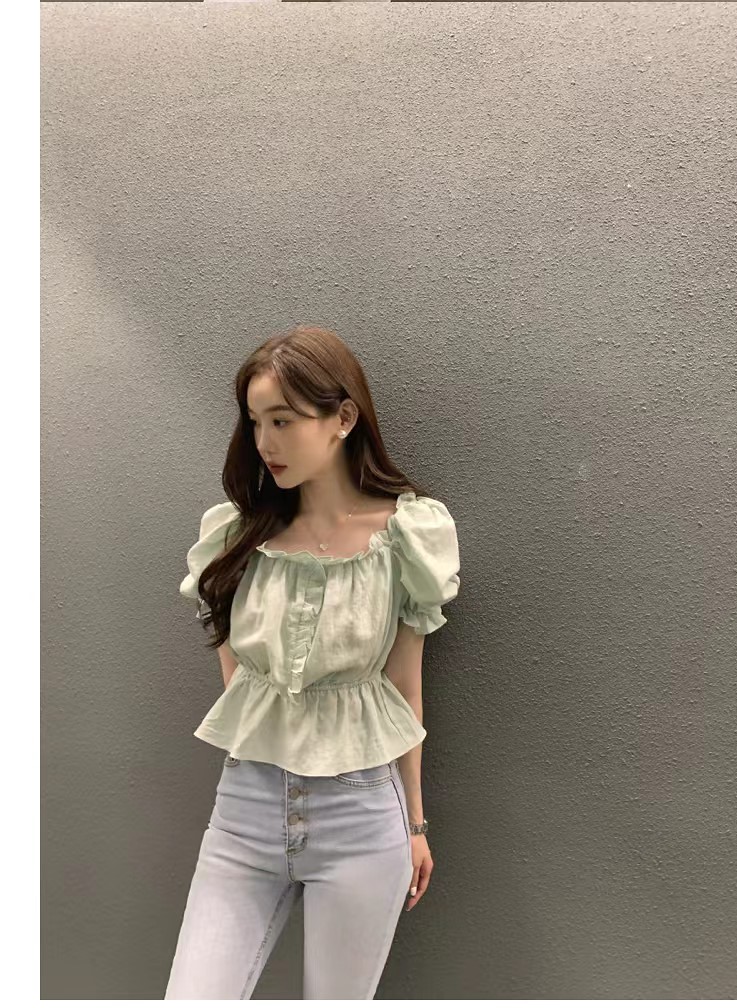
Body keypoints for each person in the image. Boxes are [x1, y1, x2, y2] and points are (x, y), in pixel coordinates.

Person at [164, 325, 461, 999]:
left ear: (343, 419)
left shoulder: (406, 536)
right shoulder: (236, 536)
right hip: (245, 810)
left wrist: (415, 823)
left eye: (283, 420)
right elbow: (239, 685)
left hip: (361, 812)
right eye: (255, 422)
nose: (264, 442)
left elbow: (403, 688)